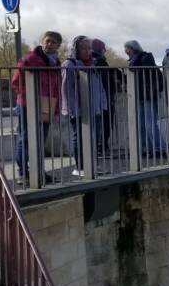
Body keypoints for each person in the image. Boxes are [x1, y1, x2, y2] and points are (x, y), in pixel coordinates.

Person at [10, 31, 63, 184]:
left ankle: (38, 171)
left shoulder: (56, 62)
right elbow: (16, 82)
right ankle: (23, 173)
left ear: (59, 45)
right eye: (47, 41)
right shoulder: (30, 59)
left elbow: (56, 87)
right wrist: (31, 97)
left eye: (54, 42)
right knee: (25, 138)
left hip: (46, 104)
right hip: (28, 104)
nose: (50, 44)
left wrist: (55, 106)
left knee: (40, 139)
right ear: (42, 41)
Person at [60, 36, 108, 176]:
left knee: (94, 137)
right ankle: (80, 167)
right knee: (79, 137)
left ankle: (92, 164)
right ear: (75, 49)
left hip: (95, 107)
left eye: (89, 48)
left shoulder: (92, 63)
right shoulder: (69, 64)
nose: (87, 51)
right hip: (80, 108)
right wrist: (73, 109)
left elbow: (99, 86)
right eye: (83, 48)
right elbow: (67, 89)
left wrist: (102, 103)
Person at [125, 39, 167, 157]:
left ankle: (159, 148)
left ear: (132, 49)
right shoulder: (137, 59)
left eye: (126, 48)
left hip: (147, 95)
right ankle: (147, 147)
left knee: (149, 123)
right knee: (142, 123)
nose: (125, 51)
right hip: (141, 95)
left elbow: (147, 76)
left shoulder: (144, 59)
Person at [90, 38, 121, 153]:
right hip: (105, 95)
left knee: (98, 122)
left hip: (95, 95)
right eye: (104, 48)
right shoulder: (100, 61)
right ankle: (102, 146)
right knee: (106, 121)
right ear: (101, 49)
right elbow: (105, 79)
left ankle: (99, 146)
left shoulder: (90, 60)